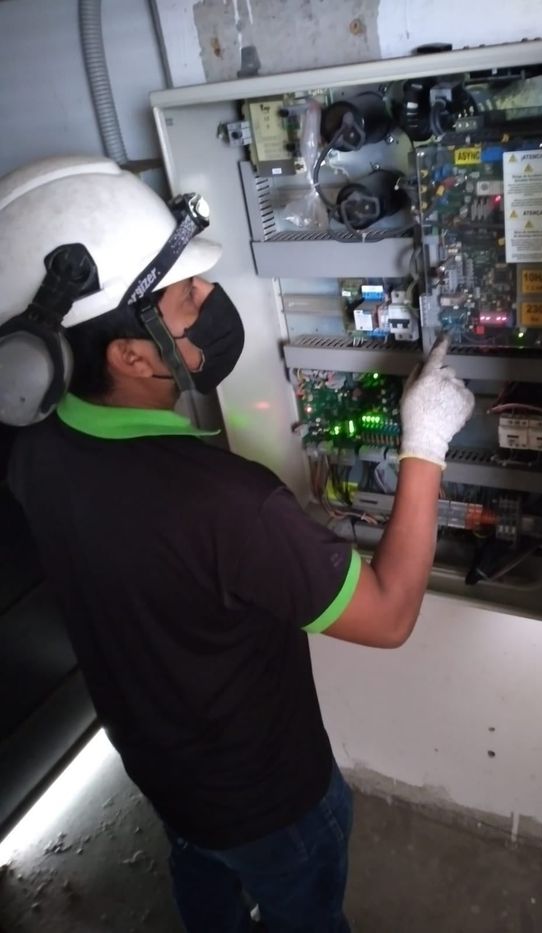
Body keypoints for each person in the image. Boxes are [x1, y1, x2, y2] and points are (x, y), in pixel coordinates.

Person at [0, 155, 474, 933]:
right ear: (130, 353)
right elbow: (388, 615)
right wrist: (424, 446)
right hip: (271, 801)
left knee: (205, 882)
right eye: (188, 294)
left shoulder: (35, 454)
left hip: (164, 775)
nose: (211, 296)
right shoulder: (225, 502)